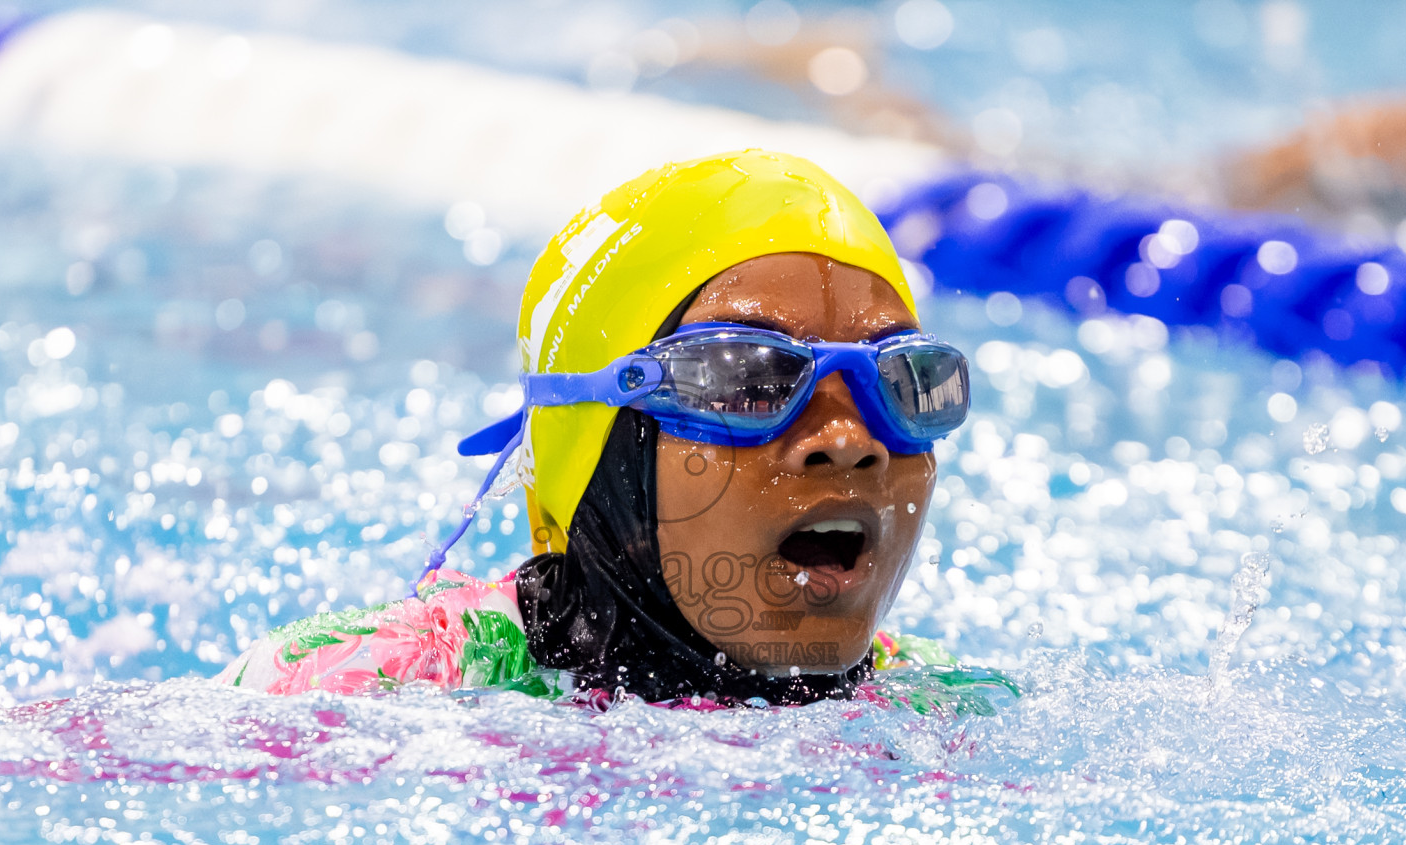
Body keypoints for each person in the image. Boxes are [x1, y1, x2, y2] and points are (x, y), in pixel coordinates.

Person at [216, 150, 1012, 711]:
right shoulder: (374, 684)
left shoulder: (943, 713)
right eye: (746, 378)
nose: (848, 439)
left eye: (906, 381)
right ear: (599, 441)